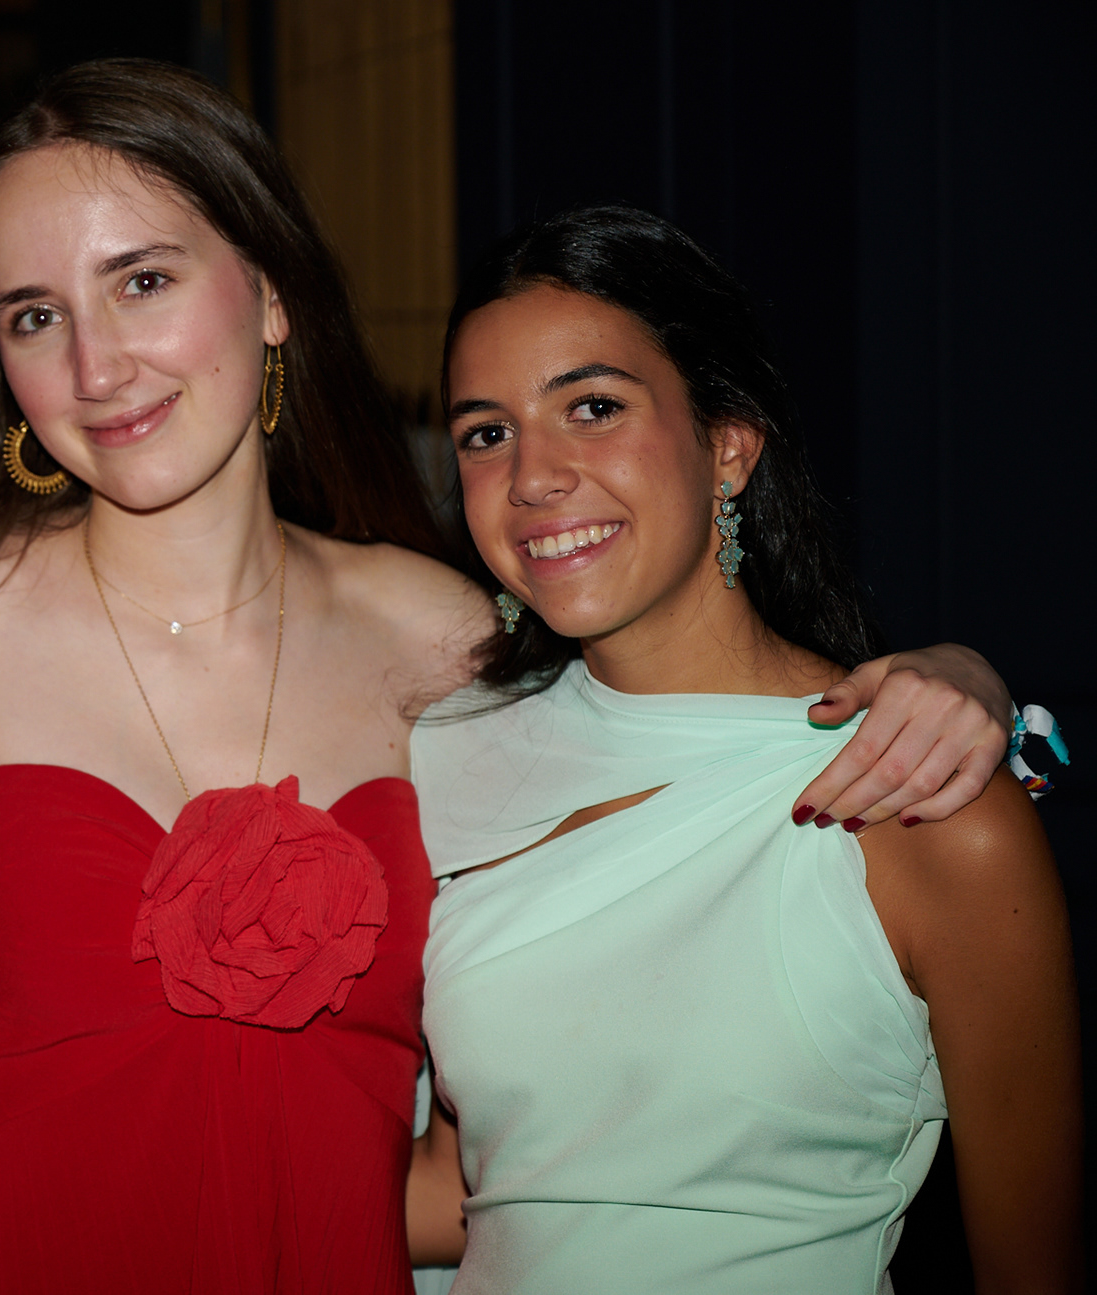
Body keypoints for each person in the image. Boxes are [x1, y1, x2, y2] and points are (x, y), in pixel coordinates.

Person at [0, 60, 1015, 1295]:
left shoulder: (443, 636)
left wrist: (971, 685)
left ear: (270, 294)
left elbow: (683, 788)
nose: (95, 366)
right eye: (34, 316)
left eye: (142, 281)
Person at [408, 205, 1081, 1292]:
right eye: (487, 432)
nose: (532, 475)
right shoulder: (447, 753)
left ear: (728, 445)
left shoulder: (920, 797)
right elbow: (467, 1183)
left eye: (592, 407)